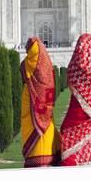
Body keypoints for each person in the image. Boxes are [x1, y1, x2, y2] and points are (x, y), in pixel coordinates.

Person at [60, 33, 91, 166]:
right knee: (89, 132)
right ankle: (90, 157)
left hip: (76, 115)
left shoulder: (75, 67)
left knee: (68, 132)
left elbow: (71, 73)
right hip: (88, 117)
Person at [20, 37, 60, 167]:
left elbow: (22, 71)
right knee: (47, 133)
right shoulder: (47, 71)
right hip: (47, 116)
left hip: (33, 112)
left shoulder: (27, 64)